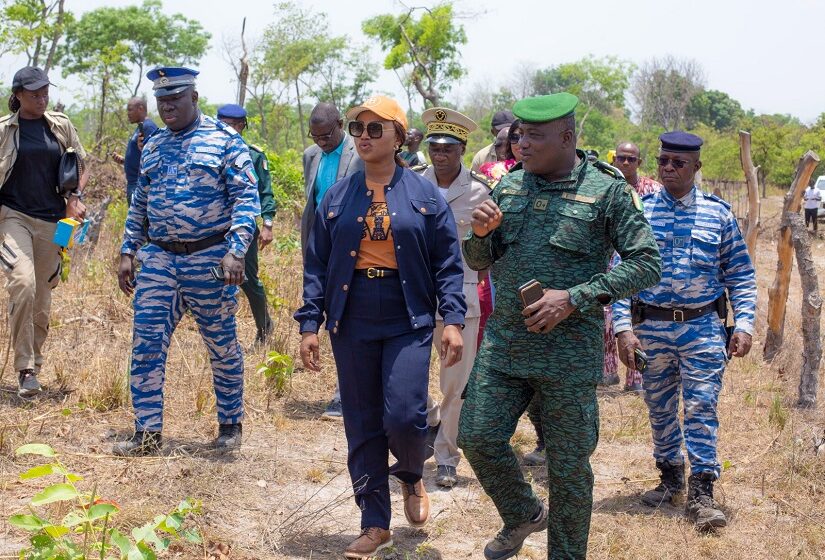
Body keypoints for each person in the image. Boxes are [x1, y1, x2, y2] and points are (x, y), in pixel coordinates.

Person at [458, 92, 662, 560]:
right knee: (477, 437)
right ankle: (523, 513)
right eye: (520, 135)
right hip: (505, 349)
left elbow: (647, 263)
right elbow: (478, 260)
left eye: (534, 136)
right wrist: (480, 235)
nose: (522, 145)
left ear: (567, 137)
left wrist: (575, 297)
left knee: (569, 471)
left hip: (567, 357)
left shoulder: (606, 190)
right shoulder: (509, 188)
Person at [295, 95, 466, 559]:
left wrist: (452, 320)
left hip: (406, 314)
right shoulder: (337, 197)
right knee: (362, 422)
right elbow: (317, 266)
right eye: (358, 129)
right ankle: (374, 522)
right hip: (351, 317)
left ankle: (411, 473)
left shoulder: (425, 196)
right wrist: (309, 325)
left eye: (376, 129)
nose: (365, 137)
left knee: (404, 415)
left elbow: (449, 264)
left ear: (397, 136)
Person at [613, 131, 757, 531]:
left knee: (700, 407)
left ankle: (703, 491)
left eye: (678, 162)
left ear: (696, 167)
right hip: (651, 330)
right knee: (659, 408)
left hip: (703, 329)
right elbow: (620, 275)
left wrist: (743, 324)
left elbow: (742, 275)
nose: (668, 169)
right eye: (663, 161)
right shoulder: (638, 212)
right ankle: (670, 476)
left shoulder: (719, 214)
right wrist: (623, 328)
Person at [115, 67, 260, 456]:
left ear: (194, 98)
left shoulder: (224, 141)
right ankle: (147, 434)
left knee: (221, 343)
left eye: (175, 100)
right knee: (146, 343)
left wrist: (236, 249)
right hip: (159, 258)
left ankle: (230, 424)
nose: (167, 108)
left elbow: (246, 200)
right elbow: (140, 202)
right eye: (161, 101)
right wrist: (128, 249)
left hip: (210, 259)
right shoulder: (155, 145)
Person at [0, 66, 89, 398]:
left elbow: (80, 163)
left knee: (43, 292)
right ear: (18, 95)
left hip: (57, 223)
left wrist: (75, 198)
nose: (42, 97)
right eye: (34, 93)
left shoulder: (60, 125)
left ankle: (36, 363)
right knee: (22, 283)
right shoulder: (5, 131)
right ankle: (23, 368)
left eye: (44, 92)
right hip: (13, 219)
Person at [418, 107, 490, 488]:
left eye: (448, 147)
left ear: (462, 148)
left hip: (460, 300)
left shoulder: (480, 192)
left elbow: (489, 246)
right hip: (414, 296)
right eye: (435, 146)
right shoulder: (411, 184)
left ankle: (446, 456)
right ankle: (431, 422)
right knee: (409, 379)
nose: (440, 153)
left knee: (454, 385)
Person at [300, 101, 364, 420]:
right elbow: (312, 205)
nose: (321, 143)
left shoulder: (360, 152)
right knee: (330, 316)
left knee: (350, 321)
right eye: (315, 137)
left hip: (354, 250)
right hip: (321, 247)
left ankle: (345, 394)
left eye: (326, 136)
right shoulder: (311, 156)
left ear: (340, 124)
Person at [604, 142, 663, 391]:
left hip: (639, 263)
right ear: (614, 160)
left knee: (638, 318)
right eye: (621, 158)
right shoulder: (605, 187)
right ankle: (607, 372)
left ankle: (636, 377)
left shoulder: (653, 190)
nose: (625, 163)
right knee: (607, 319)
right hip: (609, 263)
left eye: (631, 159)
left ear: (639, 162)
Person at [216, 103, 277, 344]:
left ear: (242, 127)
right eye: (222, 124)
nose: (226, 130)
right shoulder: (208, 152)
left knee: (247, 279)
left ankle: (265, 326)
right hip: (213, 228)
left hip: (243, 227)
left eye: (232, 125)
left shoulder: (253, 155)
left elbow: (265, 192)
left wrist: (268, 224)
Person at [111, 97, 158, 203]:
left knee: (139, 219)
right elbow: (141, 155)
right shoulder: (140, 127)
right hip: (133, 183)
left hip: (139, 184)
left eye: (130, 109)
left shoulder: (148, 127)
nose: (128, 113)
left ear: (140, 109)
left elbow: (153, 159)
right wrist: (124, 161)